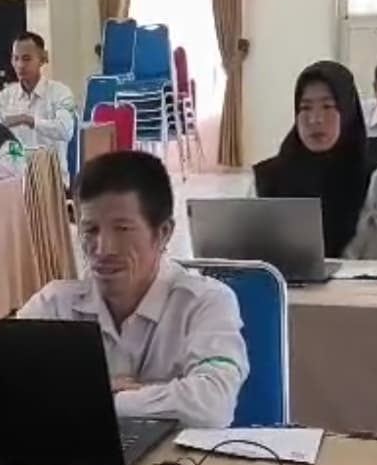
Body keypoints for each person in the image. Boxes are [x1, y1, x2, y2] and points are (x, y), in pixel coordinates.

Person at [19, 151, 248, 424]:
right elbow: (3, 390)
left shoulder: (205, 302)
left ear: (163, 233)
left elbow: (212, 405)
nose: (103, 249)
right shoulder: (55, 305)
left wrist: (95, 399)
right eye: (90, 230)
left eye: (122, 229)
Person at [254, 60, 377, 260]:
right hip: (281, 279)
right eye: (305, 108)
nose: (315, 119)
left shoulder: (374, 177)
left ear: (347, 111)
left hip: (356, 280)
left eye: (327, 106)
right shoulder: (266, 176)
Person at [0, 32, 76, 179]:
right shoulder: (2, 99)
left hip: (52, 179)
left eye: (26, 59)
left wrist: (29, 120)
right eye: (16, 58)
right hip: (14, 180)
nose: (20, 65)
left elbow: (66, 130)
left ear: (42, 59)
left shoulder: (60, 92)